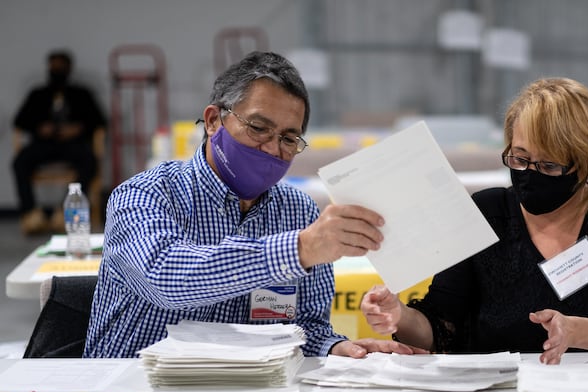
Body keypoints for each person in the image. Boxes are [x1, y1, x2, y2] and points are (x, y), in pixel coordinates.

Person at [84, 51, 425, 359]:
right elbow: (166, 279)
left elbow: (303, 327)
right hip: (131, 390)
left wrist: (335, 347)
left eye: (289, 138)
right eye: (259, 128)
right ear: (215, 120)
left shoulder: (299, 213)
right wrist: (299, 249)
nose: (272, 149)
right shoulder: (145, 194)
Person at [361, 77, 588, 365]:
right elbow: (442, 326)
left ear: (586, 164)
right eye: (519, 158)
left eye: (549, 165)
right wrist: (399, 316)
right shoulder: (485, 213)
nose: (528, 174)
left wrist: (578, 332)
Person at [12, 50, 105, 235]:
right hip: (44, 144)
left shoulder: (82, 94)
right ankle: (31, 214)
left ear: (69, 68)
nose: (57, 71)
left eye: (61, 67)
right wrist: (39, 127)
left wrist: (77, 128)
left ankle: (65, 212)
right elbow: (19, 121)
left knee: (90, 161)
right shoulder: (38, 94)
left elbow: (99, 120)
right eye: (53, 67)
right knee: (19, 161)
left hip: (73, 144)